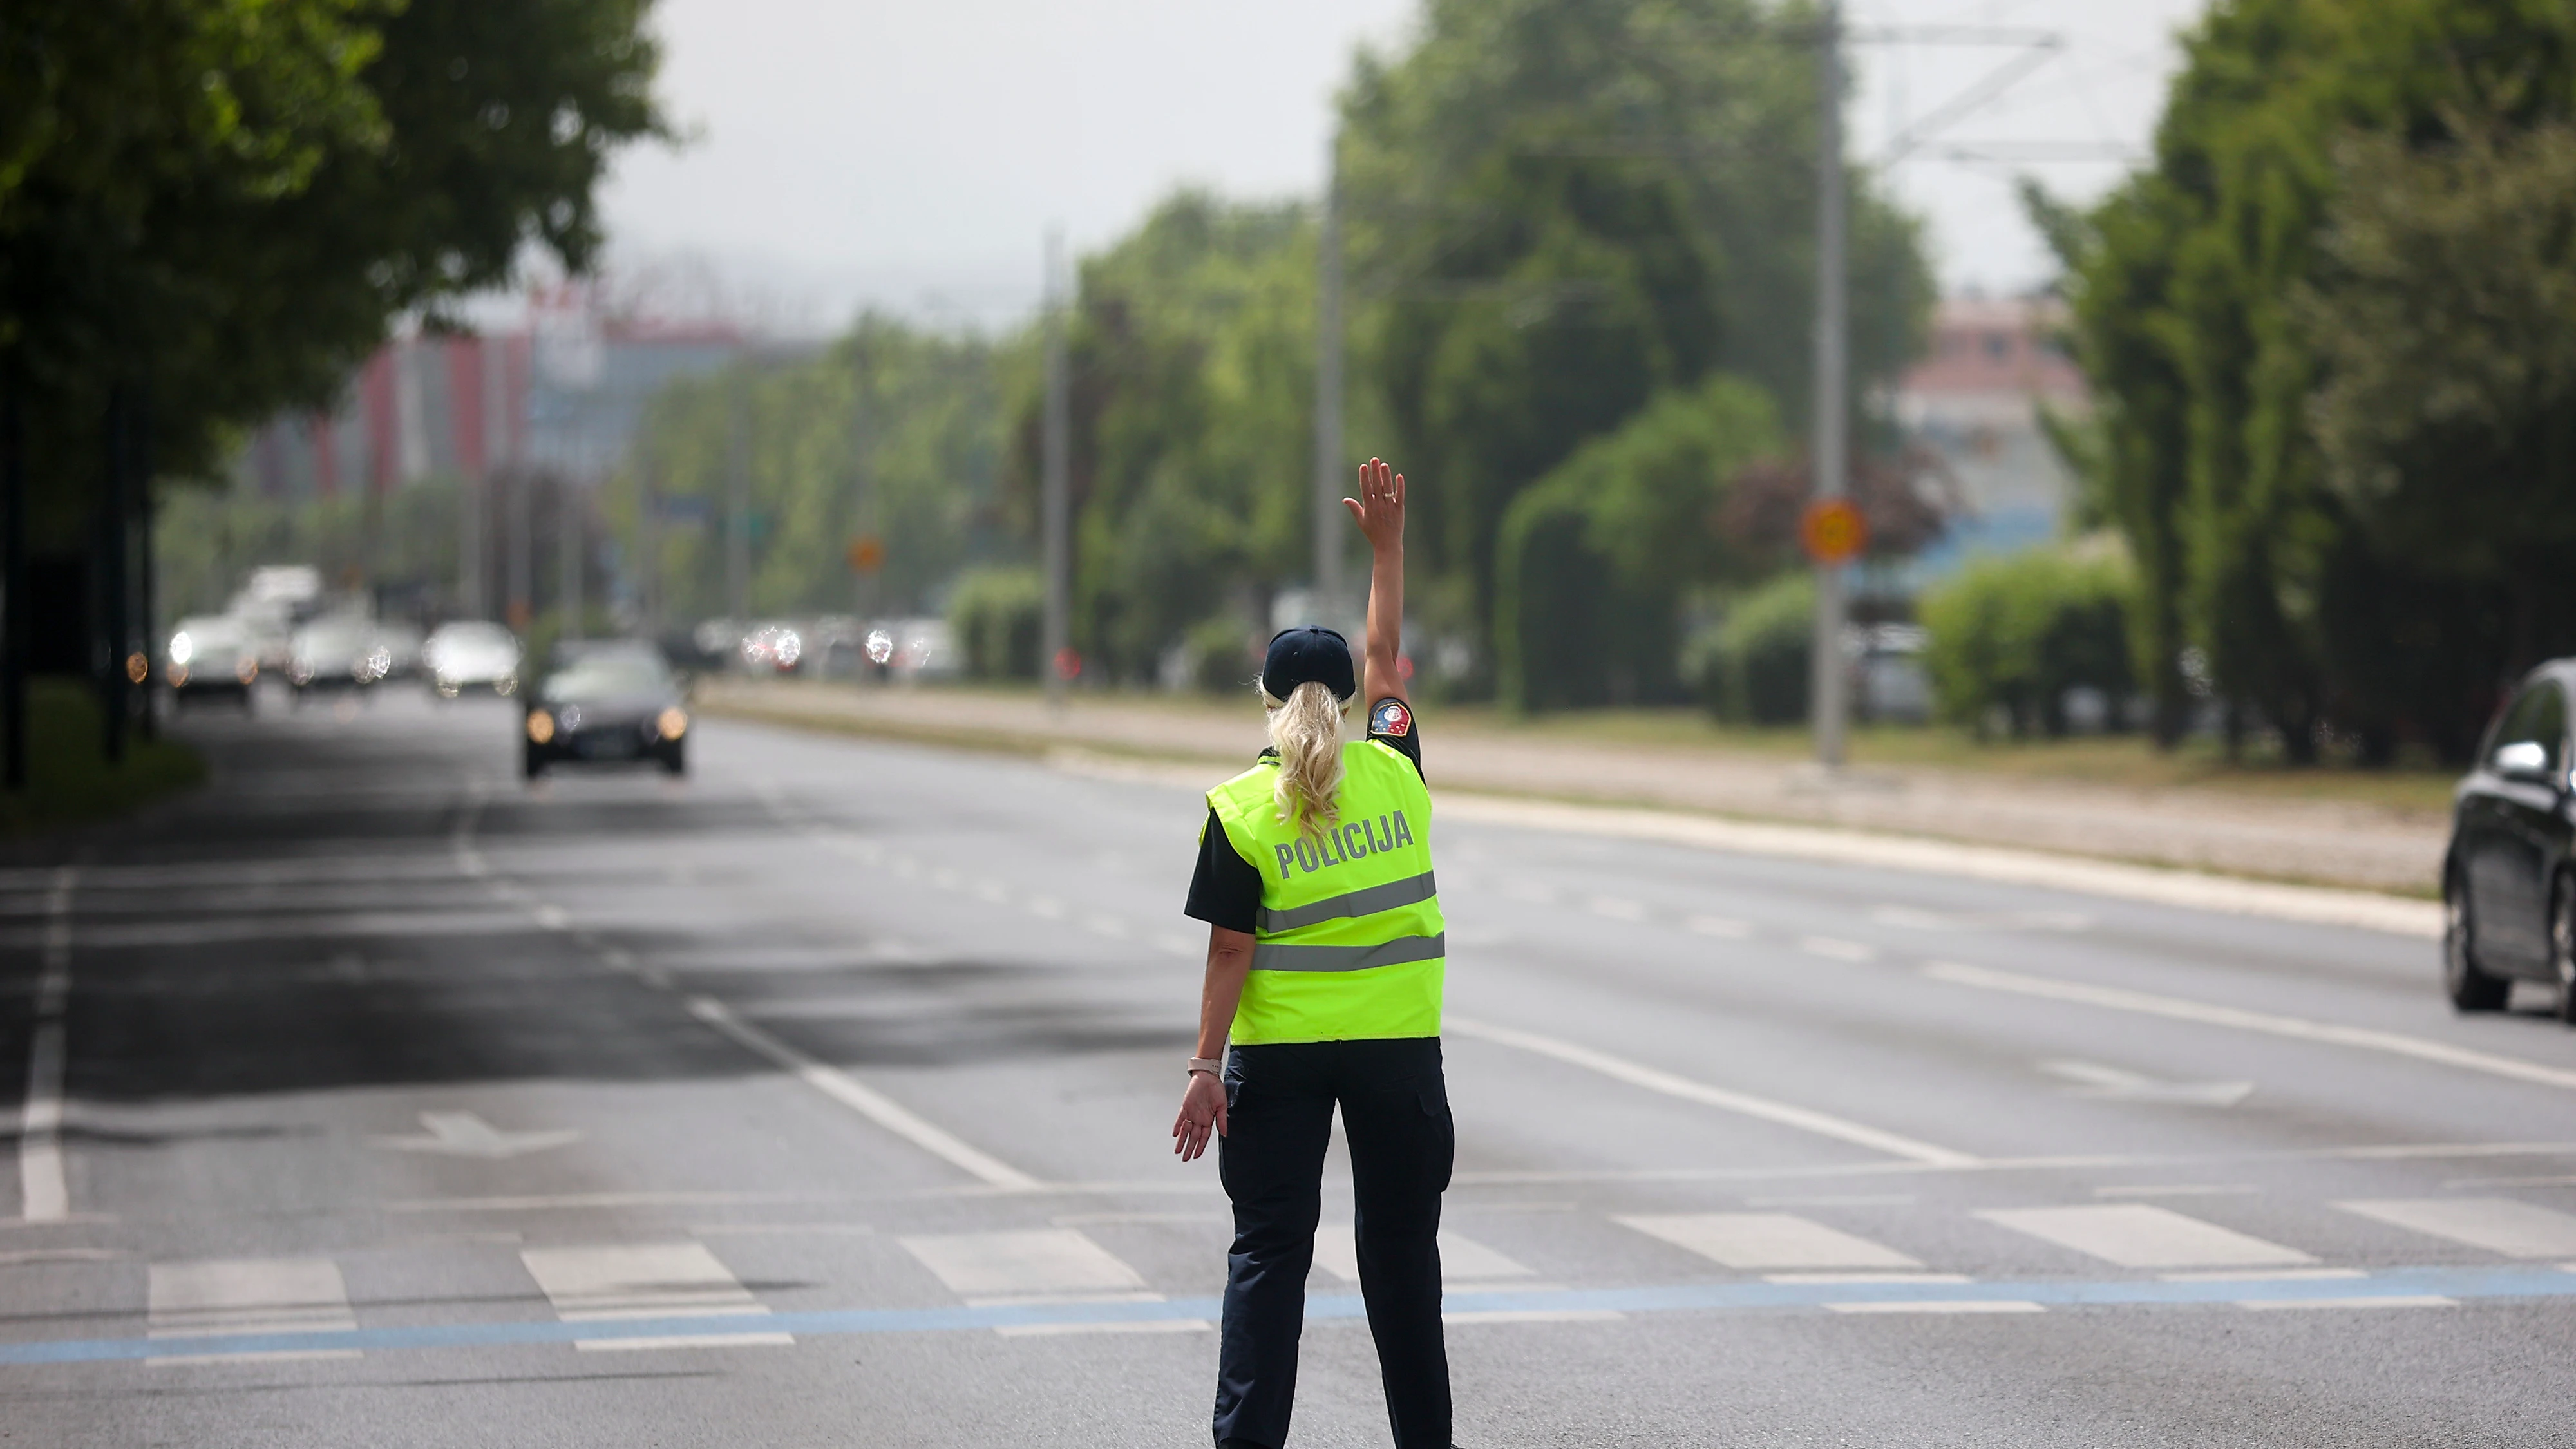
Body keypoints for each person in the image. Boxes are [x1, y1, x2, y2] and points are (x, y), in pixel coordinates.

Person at [1173, 457, 1452, 1449]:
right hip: (1397, 1056)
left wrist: (1207, 1067)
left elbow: (1231, 952)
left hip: (1280, 1068)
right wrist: (1389, 550)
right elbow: (1386, 656)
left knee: (1269, 1259)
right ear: (1347, 701)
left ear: (1265, 699)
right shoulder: (1394, 767)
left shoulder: (1243, 808)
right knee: (1403, 1266)